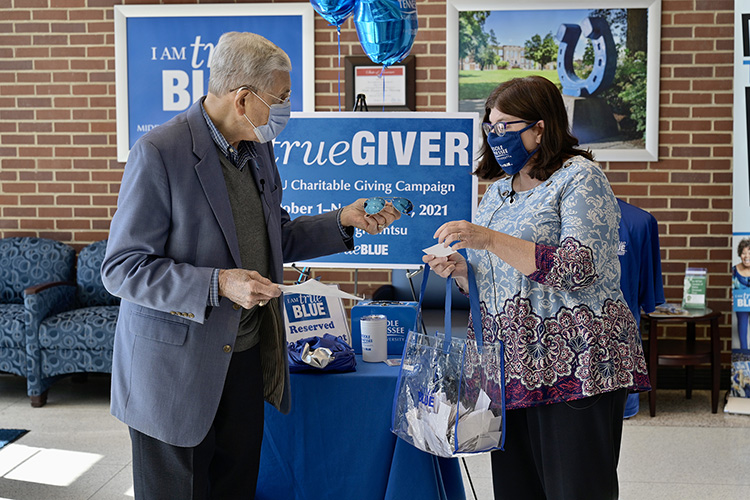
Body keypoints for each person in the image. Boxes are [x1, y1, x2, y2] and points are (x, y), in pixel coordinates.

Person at [101, 32, 400, 499]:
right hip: (173, 376)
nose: (285, 109)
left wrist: (342, 220)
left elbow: (272, 236)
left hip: (242, 360)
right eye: (280, 98)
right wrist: (218, 283)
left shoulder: (257, 149)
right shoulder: (160, 153)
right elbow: (122, 268)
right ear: (243, 98)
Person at [424, 75, 651, 500]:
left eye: (505, 126)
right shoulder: (495, 193)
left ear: (541, 127)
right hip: (512, 368)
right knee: (516, 490)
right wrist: (460, 270)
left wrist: (487, 240)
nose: (495, 137)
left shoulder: (580, 177)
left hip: (577, 365)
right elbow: (495, 277)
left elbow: (579, 266)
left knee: (576, 489)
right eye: (490, 127)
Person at [733, 238, 750, 350]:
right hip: (742, 306)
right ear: (740, 254)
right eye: (743, 253)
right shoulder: (733, 271)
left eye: (749, 253)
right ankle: (745, 362)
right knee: (742, 335)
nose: (746, 256)